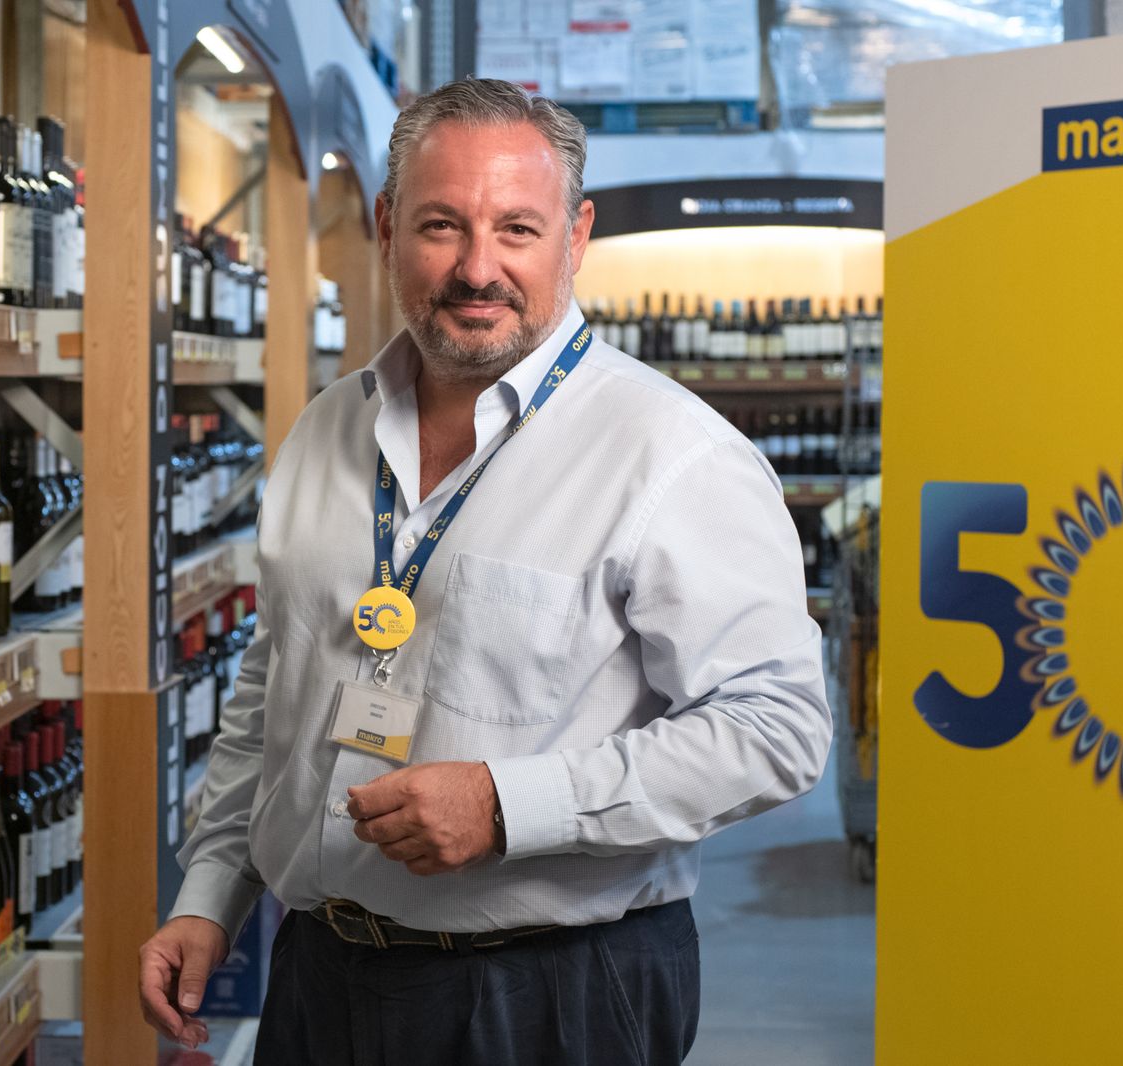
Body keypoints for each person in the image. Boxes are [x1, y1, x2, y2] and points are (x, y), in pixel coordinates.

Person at [138, 77, 832, 1065]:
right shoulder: (324, 431)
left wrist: (513, 804)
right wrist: (211, 895)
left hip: (550, 993)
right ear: (387, 227)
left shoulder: (673, 456)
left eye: (516, 229)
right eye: (441, 225)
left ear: (574, 237)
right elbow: (274, 677)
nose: (477, 268)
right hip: (319, 973)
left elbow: (776, 728)